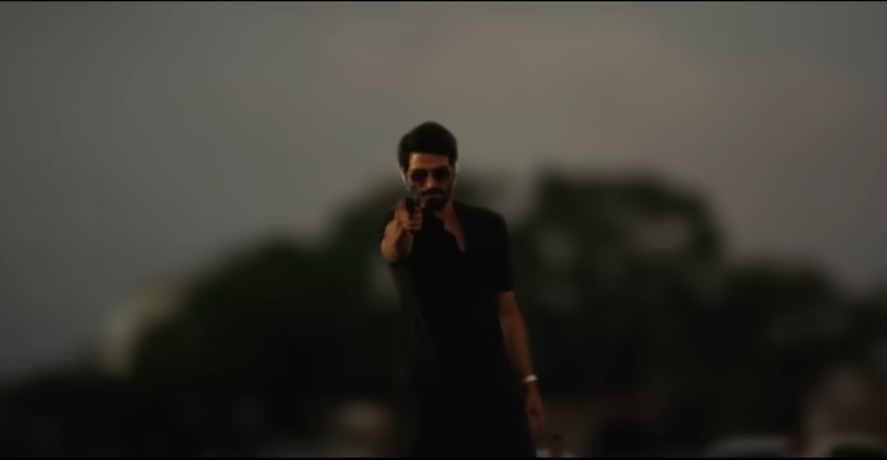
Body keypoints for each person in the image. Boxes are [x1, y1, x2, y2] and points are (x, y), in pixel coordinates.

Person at [381, 121, 544, 457]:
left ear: (455, 169)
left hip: (494, 387)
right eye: (419, 176)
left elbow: (508, 313)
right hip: (430, 392)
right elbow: (393, 249)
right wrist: (403, 226)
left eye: (440, 173)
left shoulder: (489, 226)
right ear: (405, 175)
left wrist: (529, 382)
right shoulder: (402, 224)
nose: (430, 184)